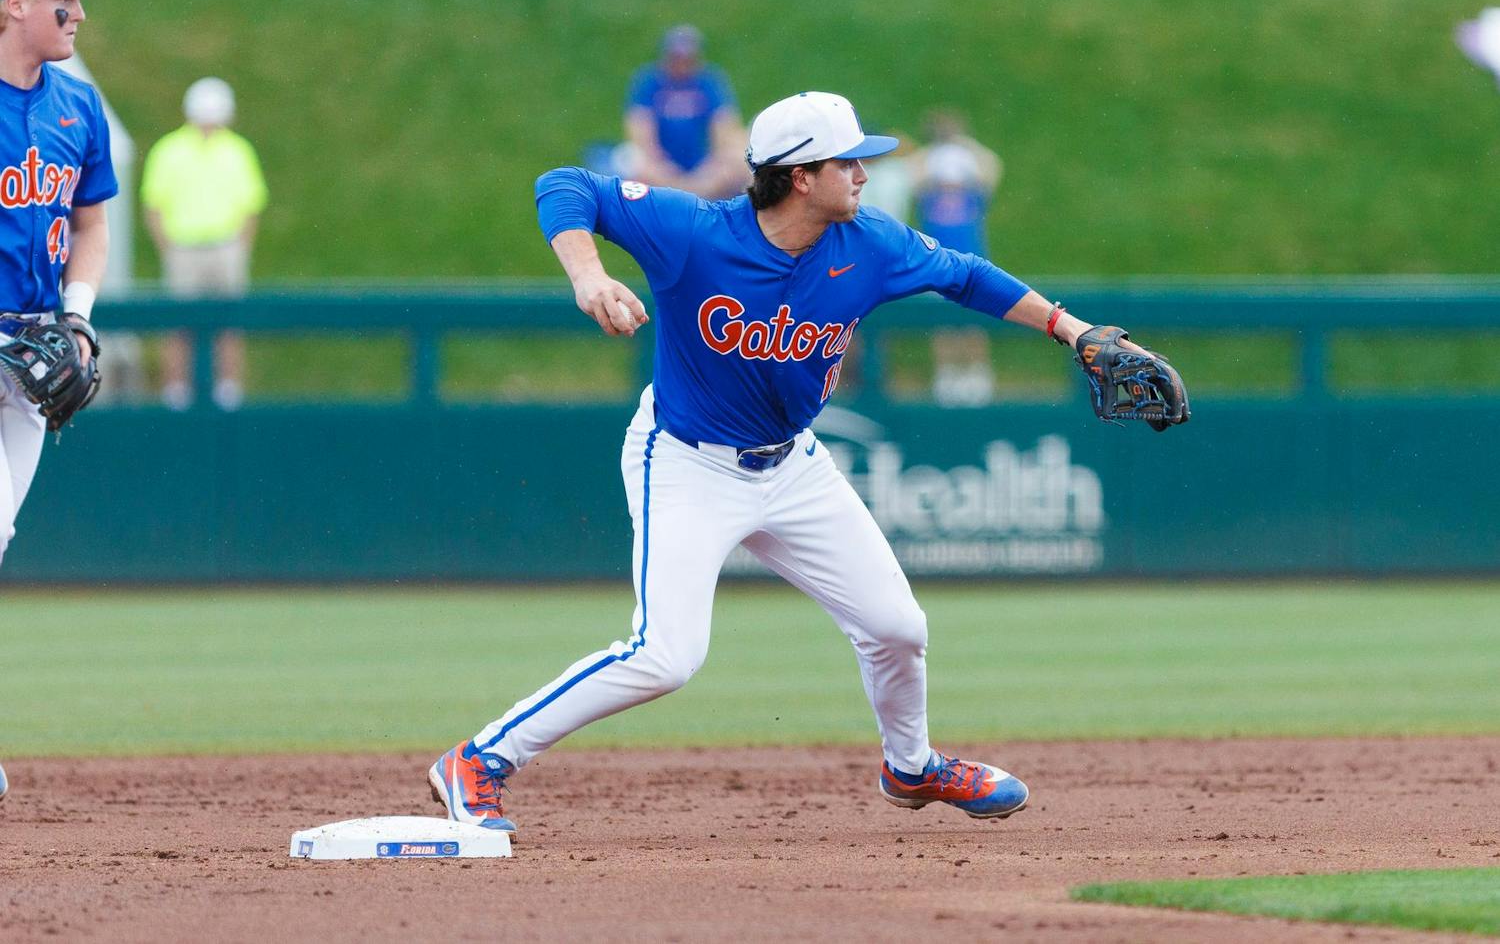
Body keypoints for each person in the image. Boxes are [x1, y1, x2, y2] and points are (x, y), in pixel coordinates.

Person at [428, 91, 1187, 833]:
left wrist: (1073, 329)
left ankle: (911, 764)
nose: (863, 174)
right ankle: (479, 758)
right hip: (689, 461)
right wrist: (588, 275)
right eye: (848, 161)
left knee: (896, 626)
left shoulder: (872, 242)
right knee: (666, 655)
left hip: (794, 466)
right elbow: (562, 186)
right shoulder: (693, 230)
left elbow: (966, 276)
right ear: (799, 175)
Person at [0, 0, 117, 801]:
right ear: (11, 6)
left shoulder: (78, 105)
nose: (77, 13)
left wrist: (77, 314)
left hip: (37, 341)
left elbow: (93, 225)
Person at [140, 77, 267, 410]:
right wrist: (169, 248)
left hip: (226, 246)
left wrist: (241, 247)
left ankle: (229, 390)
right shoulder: (170, 150)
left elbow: (251, 206)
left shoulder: (237, 150)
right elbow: (153, 205)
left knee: (230, 322)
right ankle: (176, 391)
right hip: (183, 248)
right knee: (179, 323)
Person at [912, 119, 1002, 406]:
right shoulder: (928, 194)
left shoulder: (973, 194)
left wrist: (964, 144)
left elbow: (992, 166)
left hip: (973, 261)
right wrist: (936, 146)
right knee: (943, 324)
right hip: (938, 263)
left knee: (974, 321)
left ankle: (977, 374)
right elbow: (914, 171)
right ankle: (947, 374)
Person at [618, 24, 746, 200]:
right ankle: (688, 197)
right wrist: (661, 165)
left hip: (703, 166)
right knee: (632, 161)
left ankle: (685, 197)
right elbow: (640, 130)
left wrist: (710, 166)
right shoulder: (649, 81)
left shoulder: (709, 81)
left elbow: (724, 128)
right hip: (661, 166)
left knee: (738, 159)